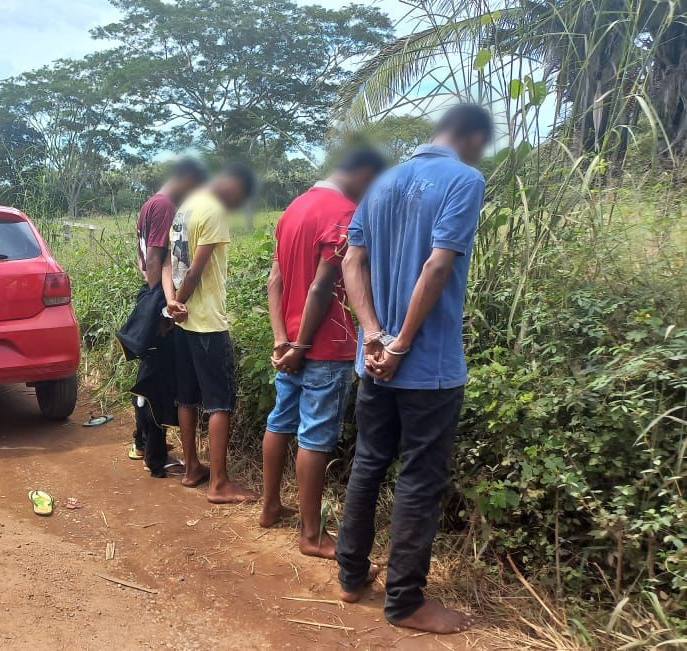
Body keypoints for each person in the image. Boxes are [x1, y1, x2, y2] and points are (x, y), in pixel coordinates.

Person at [335, 104, 493, 634]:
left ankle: (351, 576)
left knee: (368, 463)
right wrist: (400, 342)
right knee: (419, 479)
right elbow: (438, 263)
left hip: (373, 362)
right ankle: (405, 602)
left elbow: (351, 261)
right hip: (428, 368)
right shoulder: (465, 180)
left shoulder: (382, 183)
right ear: (471, 137)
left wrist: (374, 335)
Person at [260, 149, 388, 560]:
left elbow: (273, 281)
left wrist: (282, 338)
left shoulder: (293, 209)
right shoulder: (344, 213)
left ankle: (269, 507)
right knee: (315, 435)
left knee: (281, 421)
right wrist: (300, 345)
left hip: (290, 344)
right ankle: (311, 535)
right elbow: (321, 287)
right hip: (324, 345)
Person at [162, 162, 258, 503]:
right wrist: (181, 301)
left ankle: (191, 469)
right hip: (207, 323)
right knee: (219, 403)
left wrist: (171, 305)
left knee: (186, 397)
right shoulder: (214, 212)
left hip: (182, 323)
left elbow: (169, 264)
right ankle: (219, 484)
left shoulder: (184, 208)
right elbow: (196, 269)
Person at [127, 158, 208, 476]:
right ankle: (154, 455)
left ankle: (143, 443)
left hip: (154, 299)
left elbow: (145, 258)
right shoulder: (163, 207)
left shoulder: (151, 204)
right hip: (160, 302)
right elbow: (155, 260)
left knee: (149, 376)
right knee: (156, 382)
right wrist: (160, 307)